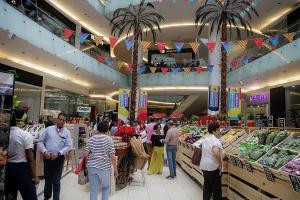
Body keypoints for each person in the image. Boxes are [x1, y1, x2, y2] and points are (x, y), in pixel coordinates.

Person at [5, 112, 39, 200]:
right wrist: (35, 176)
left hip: (8, 169)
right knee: (30, 196)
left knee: (10, 196)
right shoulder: (25, 135)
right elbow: (30, 158)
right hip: (21, 170)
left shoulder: (4, 134)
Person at [38, 113, 72, 200]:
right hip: (48, 157)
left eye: (63, 120)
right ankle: (47, 197)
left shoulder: (67, 132)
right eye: (60, 119)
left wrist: (59, 153)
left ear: (65, 121)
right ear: (57, 119)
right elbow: (40, 141)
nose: (61, 121)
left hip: (59, 158)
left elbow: (68, 146)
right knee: (48, 180)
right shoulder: (49, 129)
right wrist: (44, 151)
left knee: (56, 181)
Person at [85, 121, 118, 200]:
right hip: (104, 168)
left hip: (91, 167)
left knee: (93, 189)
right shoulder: (109, 139)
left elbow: (86, 154)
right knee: (106, 187)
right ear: (107, 130)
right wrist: (115, 169)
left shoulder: (91, 139)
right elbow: (112, 156)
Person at [200, 122, 224, 200]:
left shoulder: (205, 139)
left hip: (204, 166)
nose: (219, 131)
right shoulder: (215, 140)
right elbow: (216, 152)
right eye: (218, 130)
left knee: (207, 188)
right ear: (214, 131)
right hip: (213, 168)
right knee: (217, 190)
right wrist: (220, 165)